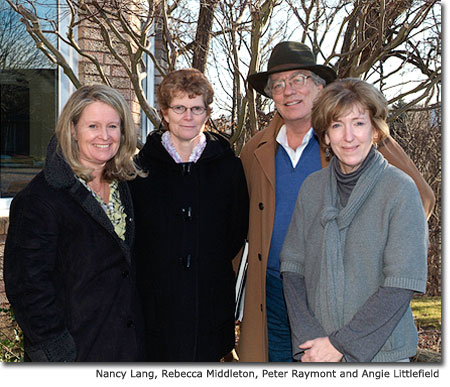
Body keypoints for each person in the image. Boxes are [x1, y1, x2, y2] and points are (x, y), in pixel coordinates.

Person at [238, 41, 435, 362]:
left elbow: (420, 199)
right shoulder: (254, 149)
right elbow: (238, 224)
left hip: (340, 296)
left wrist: (368, 263)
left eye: (298, 79)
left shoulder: (356, 136)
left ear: (319, 87)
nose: (288, 91)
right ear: (270, 95)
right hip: (273, 293)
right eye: (278, 84)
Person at [280, 78, 428, 362]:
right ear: (325, 136)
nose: (348, 136)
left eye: (358, 123)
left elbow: (401, 283)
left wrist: (341, 344)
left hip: (383, 358)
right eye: (337, 125)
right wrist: (312, 342)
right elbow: (292, 269)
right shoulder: (311, 189)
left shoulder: (400, 189)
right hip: (316, 354)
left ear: (375, 130)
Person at [3, 85, 146, 361]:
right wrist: (59, 354)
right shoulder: (40, 199)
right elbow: (27, 288)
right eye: (93, 125)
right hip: (76, 355)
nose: (104, 136)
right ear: (72, 129)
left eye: (113, 126)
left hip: (125, 351)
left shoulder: (126, 188)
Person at [128, 68, 249, 362]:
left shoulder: (229, 167)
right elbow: (135, 238)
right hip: (155, 304)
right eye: (179, 108)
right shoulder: (139, 170)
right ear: (165, 112)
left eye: (196, 109)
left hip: (209, 301)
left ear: (207, 113)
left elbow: (237, 229)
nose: (188, 116)